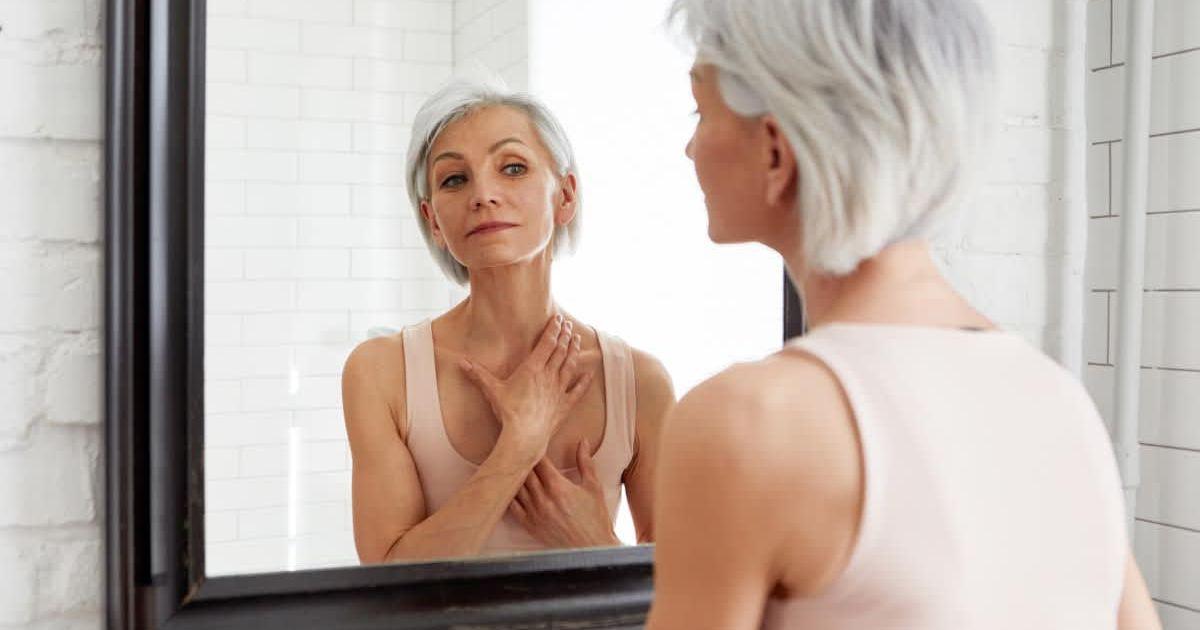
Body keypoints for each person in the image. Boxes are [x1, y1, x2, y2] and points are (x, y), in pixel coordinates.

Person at [646, 0, 1161, 628]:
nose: (689, 147)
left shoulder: (748, 420)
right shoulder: (1058, 400)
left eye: (702, 111)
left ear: (776, 151)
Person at [341, 81, 675, 563]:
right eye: (455, 179)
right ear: (432, 220)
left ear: (565, 195)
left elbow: (681, 599)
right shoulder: (380, 372)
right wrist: (518, 445)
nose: (484, 195)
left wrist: (594, 543)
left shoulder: (639, 382)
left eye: (512, 168)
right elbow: (387, 581)